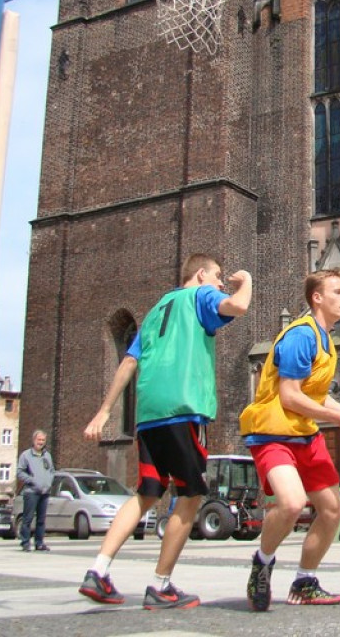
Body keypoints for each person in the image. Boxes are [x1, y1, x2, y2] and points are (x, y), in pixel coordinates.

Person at [79, 254, 252, 610]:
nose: (220, 282)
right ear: (201, 274)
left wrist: (105, 411)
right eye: (217, 276)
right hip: (184, 407)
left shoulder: (157, 308)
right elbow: (238, 306)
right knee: (190, 496)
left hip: (148, 415)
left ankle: (99, 570)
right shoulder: (199, 296)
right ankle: (160, 585)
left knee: (145, 494)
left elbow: (129, 362)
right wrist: (245, 279)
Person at [240, 269, 340, 612]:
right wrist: (338, 418)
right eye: (338, 291)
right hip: (273, 431)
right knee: (292, 503)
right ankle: (262, 562)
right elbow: (289, 396)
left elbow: (316, 395)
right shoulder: (301, 336)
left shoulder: (325, 340)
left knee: (330, 509)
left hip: (303, 432)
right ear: (317, 297)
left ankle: (304, 582)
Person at [16, 430, 55, 552]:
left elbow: (52, 470)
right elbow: (19, 472)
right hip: (31, 492)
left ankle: (39, 543)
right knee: (27, 518)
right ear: (34, 440)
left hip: (44, 492)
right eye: (39, 440)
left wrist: (49, 482)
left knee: (41, 519)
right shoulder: (26, 455)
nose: (41, 442)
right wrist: (31, 480)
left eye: (43, 440)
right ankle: (25, 542)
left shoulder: (47, 455)